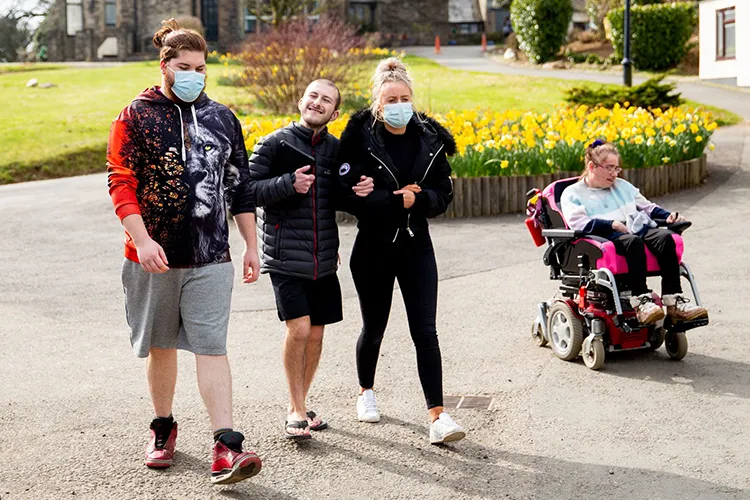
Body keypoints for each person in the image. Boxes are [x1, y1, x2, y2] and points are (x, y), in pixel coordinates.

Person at [106, 19, 262, 485]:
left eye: (202, 67)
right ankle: (163, 428)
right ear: (165, 66)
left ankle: (226, 445)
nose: (195, 74)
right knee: (162, 347)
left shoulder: (222, 118)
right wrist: (142, 238)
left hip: (212, 257)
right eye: (185, 66)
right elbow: (120, 181)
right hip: (152, 256)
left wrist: (251, 245)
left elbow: (240, 187)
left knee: (212, 347)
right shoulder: (134, 115)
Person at [337, 58, 466, 445]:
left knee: (425, 330)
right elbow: (346, 196)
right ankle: (366, 392)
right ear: (378, 102)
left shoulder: (430, 139)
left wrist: (417, 198)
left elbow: (443, 194)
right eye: (391, 98)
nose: (399, 103)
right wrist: (397, 200)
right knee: (373, 327)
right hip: (373, 247)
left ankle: (438, 417)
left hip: (416, 246)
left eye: (405, 97)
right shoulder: (359, 139)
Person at [247, 80, 374, 440]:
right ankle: (296, 410)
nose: (317, 102)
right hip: (285, 255)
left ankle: (299, 404)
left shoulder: (336, 150)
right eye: (313, 95)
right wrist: (288, 182)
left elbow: (341, 198)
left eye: (326, 100)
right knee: (299, 329)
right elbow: (245, 192)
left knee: (316, 335)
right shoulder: (274, 143)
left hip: (323, 257)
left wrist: (360, 193)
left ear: (334, 113)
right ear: (301, 100)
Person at [560, 140, 709, 324]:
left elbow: (647, 207)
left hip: (633, 228)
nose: (614, 174)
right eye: (609, 168)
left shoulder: (622, 186)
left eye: (617, 168)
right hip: (603, 236)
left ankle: (674, 303)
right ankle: (642, 301)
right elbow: (578, 222)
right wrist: (611, 224)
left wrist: (668, 216)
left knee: (666, 238)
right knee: (633, 242)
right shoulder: (572, 193)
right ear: (592, 166)